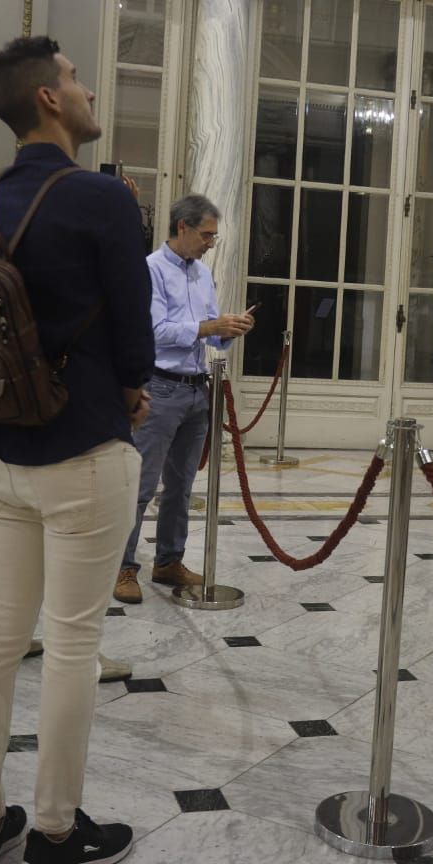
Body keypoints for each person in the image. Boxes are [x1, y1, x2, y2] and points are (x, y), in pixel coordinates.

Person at [0, 36, 153, 864]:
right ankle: (58, 832)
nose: (87, 88)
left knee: (0, 638)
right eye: (75, 79)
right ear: (47, 100)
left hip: (0, 450)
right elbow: (135, 325)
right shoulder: (103, 198)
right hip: (82, 447)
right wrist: (135, 385)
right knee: (73, 644)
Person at [114, 194, 252, 605]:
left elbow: (207, 334)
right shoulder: (150, 270)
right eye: (206, 235)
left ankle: (168, 559)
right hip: (160, 388)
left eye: (213, 236)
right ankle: (123, 566)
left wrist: (227, 330)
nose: (211, 242)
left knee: (182, 485)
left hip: (197, 388)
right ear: (182, 228)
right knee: (141, 484)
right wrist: (209, 324)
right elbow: (154, 330)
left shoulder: (202, 274)